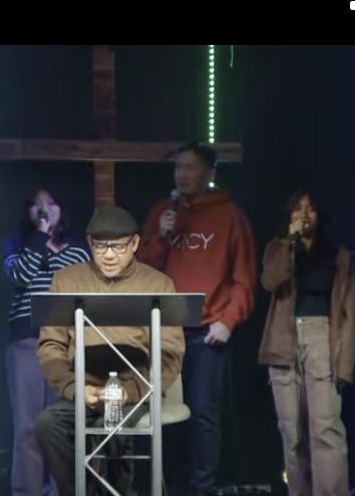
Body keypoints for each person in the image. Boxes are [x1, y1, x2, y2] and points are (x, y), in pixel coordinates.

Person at [34, 205, 185, 496]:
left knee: (114, 425)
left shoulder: (158, 284)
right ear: (90, 243)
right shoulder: (67, 281)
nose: (109, 255)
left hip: (134, 390)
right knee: (47, 425)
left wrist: (131, 390)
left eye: (118, 246)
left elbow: (170, 354)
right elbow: (51, 346)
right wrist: (75, 388)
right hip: (84, 389)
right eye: (101, 246)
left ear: (135, 243)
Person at [138, 142, 256, 495]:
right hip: (166, 331)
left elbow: (244, 277)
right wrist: (161, 234)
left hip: (208, 333)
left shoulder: (229, 215)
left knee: (203, 414)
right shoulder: (163, 212)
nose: (182, 174)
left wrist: (228, 320)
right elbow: (141, 271)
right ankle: (166, 487)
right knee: (161, 413)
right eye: (178, 168)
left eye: (190, 168)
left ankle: (201, 489)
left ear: (209, 174)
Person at [258, 190, 355, 496]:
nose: (303, 215)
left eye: (310, 209)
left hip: (323, 338)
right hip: (283, 342)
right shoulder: (277, 248)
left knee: (325, 427)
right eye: (297, 209)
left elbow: (349, 311)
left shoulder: (338, 254)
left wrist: (345, 363)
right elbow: (270, 281)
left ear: (320, 215)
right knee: (291, 432)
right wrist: (289, 243)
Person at [3, 188, 90, 496]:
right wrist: (40, 237)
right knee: (27, 426)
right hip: (25, 341)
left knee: (60, 426)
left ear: (61, 209)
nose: (44, 209)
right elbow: (20, 276)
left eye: (51, 203)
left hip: (65, 345)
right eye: (36, 205)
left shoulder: (78, 252)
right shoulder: (16, 245)